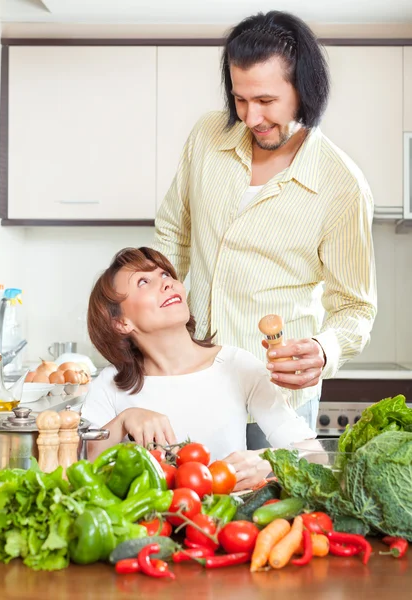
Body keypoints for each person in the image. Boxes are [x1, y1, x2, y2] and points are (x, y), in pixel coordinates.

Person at [153, 10, 377, 434]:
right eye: (240, 99)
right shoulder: (207, 136)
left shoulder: (341, 185)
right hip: (189, 384)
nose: (251, 118)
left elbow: (355, 306)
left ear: (303, 90)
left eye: (266, 101)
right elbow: (173, 232)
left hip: (274, 402)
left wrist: (323, 350)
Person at [81, 246, 315, 491]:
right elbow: (79, 467)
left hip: (229, 521)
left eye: (165, 274)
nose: (167, 283)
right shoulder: (110, 384)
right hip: (153, 523)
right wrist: (123, 421)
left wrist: (267, 461)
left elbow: (313, 453)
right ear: (121, 322)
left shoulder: (235, 365)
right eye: (143, 281)